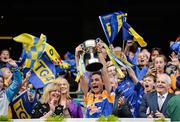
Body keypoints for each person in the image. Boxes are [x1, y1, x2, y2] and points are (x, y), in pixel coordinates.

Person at [75, 42, 114, 118]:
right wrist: (77, 57)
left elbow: (105, 73)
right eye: (92, 80)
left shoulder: (108, 94)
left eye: (97, 80)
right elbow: (81, 76)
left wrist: (99, 52)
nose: (94, 82)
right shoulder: (88, 95)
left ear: (103, 82)